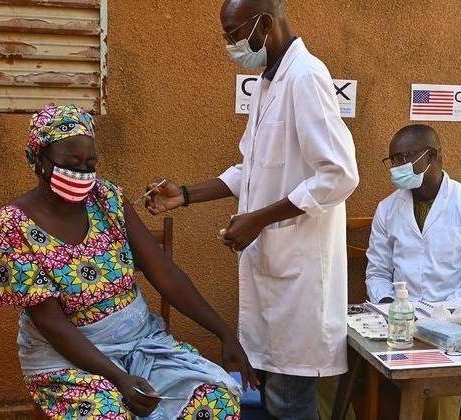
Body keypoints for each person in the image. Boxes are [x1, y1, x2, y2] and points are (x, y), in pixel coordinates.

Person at [144, 0, 359, 418]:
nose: (229, 44)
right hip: (274, 276)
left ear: (264, 24)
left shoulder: (306, 77)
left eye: (233, 33)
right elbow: (252, 169)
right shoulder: (267, 83)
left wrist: (258, 220)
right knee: (275, 398)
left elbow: (340, 174)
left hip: (300, 282)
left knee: (290, 403)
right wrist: (184, 194)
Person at [0, 104, 258, 419]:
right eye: (71, 163)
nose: (82, 173)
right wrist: (119, 378)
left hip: (141, 344)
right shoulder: (13, 225)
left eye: (90, 164)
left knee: (215, 400)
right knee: (108, 413)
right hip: (66, 356)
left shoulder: (106, 198)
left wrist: (223, 332)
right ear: (40, 159)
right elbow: (51, 323)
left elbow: (163, 272)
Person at [365, 124, 461, 420]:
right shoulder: (387, 208)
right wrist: (392, 307)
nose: (397, 167)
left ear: (433, 156)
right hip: (397, 323)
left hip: (451, 323)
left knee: (438, 397)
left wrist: (436, 316)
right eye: (393, 160)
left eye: (405, 158)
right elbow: (377, 273)